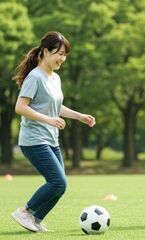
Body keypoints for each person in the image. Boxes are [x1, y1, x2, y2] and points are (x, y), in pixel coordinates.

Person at [11, 31, 96, 232]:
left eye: (65, 55)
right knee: (57, 182)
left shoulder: (55, 78)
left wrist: (80, 116)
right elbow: (20, 107)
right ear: (46, 52)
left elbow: (55, 106)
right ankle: (25, 211)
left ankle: (36, 219)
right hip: (33, 140)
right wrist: (48, 119)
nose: (62, 59)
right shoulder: (35, 77)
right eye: (59, 53)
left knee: (60, 185)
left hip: (51, 139)